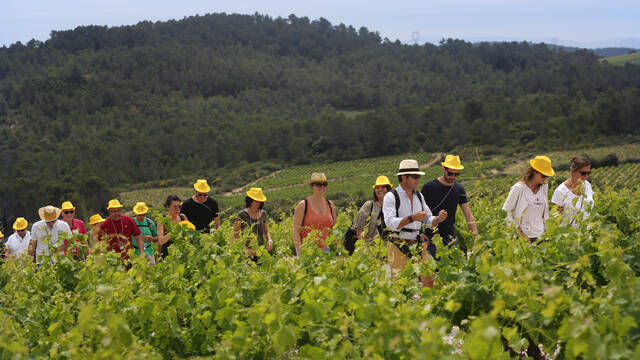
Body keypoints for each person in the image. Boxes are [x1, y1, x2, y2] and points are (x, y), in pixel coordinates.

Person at [383, 159, 448, 288]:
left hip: (417, 244)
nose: (418, 179)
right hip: (397, 244)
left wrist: (438, 219)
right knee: (400, 284)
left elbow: (428, 219)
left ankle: (429, 307)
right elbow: (390, 223)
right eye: (414, 177)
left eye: (418, 176)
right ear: (403, 177)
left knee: (429, 280)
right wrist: (412, 218)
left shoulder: (419, 196)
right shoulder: (391, 196)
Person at [420, 155, 478, 259]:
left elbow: (468, 215)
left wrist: (476, 235)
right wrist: (420, 233)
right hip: (430, 239)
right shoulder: (428, 187)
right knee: (431, 273)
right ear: (443, 169)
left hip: (450, 238)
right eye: (450, 173)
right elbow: (418, 212)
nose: (453, 177)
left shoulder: (459, 189)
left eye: (456, 174)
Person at [503, 155, 555, 242]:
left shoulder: (544, 187)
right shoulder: (519, 188)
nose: (546, 179)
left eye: (547, 176)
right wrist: (519, 233)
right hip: (523, 238)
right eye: (543, 176)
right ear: (535, 173)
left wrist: (546, 230)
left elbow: (544, 213)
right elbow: (505, 211)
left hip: (542, 236)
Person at [292, 173, 337, 256]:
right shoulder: (303, 205)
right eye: (318, 184)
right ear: (312, 186)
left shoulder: (330, 204)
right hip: (308, 251)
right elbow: (295, 231)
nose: (322, 187)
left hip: (327, 251)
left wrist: (338, 250)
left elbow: (334, 229)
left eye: (324, 184)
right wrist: (300, 253)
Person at [349, 175, 392, 246]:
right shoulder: (369, 206)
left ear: (388, 189)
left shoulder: (393, 207)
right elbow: (359, 229)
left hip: (388, 252)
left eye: (383, 187)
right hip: (371, 252)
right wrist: (365, 250)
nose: (380, 189)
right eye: (377, 187)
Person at [98, 199, 145, 263]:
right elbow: (99, 244)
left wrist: (142, 253)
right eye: (114, 211)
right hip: (113, 260)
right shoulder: (104, 225)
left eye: (118, 210)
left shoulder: (128, 220)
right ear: (109, 211)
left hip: (129, 259)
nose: (117, 213)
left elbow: (138, 237)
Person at [552, 156, 594, 227]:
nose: (586, 176)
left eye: (588, 173)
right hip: (569, 235)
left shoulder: (587, 185)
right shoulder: (561, 191)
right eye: (583, 173)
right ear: (572, 170)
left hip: (587, 233)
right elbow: (556, 220)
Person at [233, 188, 273, 261]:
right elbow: (236, 235)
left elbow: (266, 231)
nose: (258, 203)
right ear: (250, 200)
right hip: (245, 254)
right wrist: (246, 250)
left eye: (260, 201)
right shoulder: (242, 215)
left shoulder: (263, 214)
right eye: (255, 200)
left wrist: (270, 240)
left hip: (260, 251)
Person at [157, 195, 189, 259]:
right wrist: (174, 230)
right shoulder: (162, 220)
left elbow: (189, 235)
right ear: (168, 207)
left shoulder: (183, 217)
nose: (177, 209)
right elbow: (160, 242)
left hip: (182, 253)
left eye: (179, 207)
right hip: (167, 255)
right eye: (174, 207)